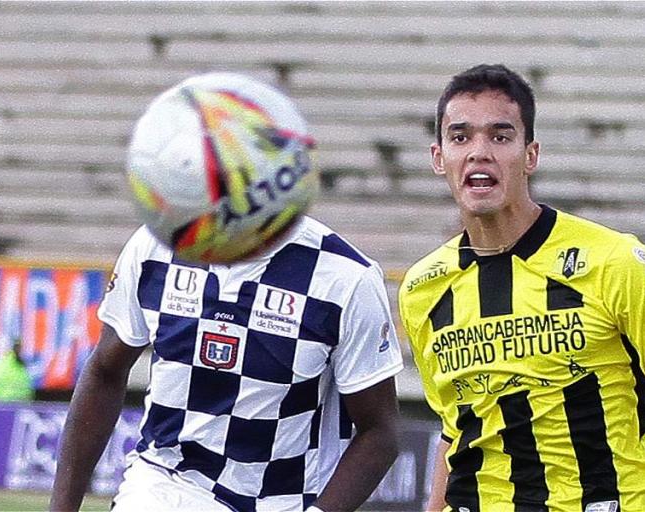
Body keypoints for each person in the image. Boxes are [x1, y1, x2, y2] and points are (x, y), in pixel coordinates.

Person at [50, 79, 404, 512]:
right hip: (164, 486)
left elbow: (380, 433)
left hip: (285, 502)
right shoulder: (154, 248)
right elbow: (105, 371)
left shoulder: (346, 279)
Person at [398, 63, 645, 512]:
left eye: (500, 136)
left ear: (530, 154)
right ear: (439, 158)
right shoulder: (422, 287)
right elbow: (454, 429)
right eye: (460, 137)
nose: (479, 153)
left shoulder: (614, 262)